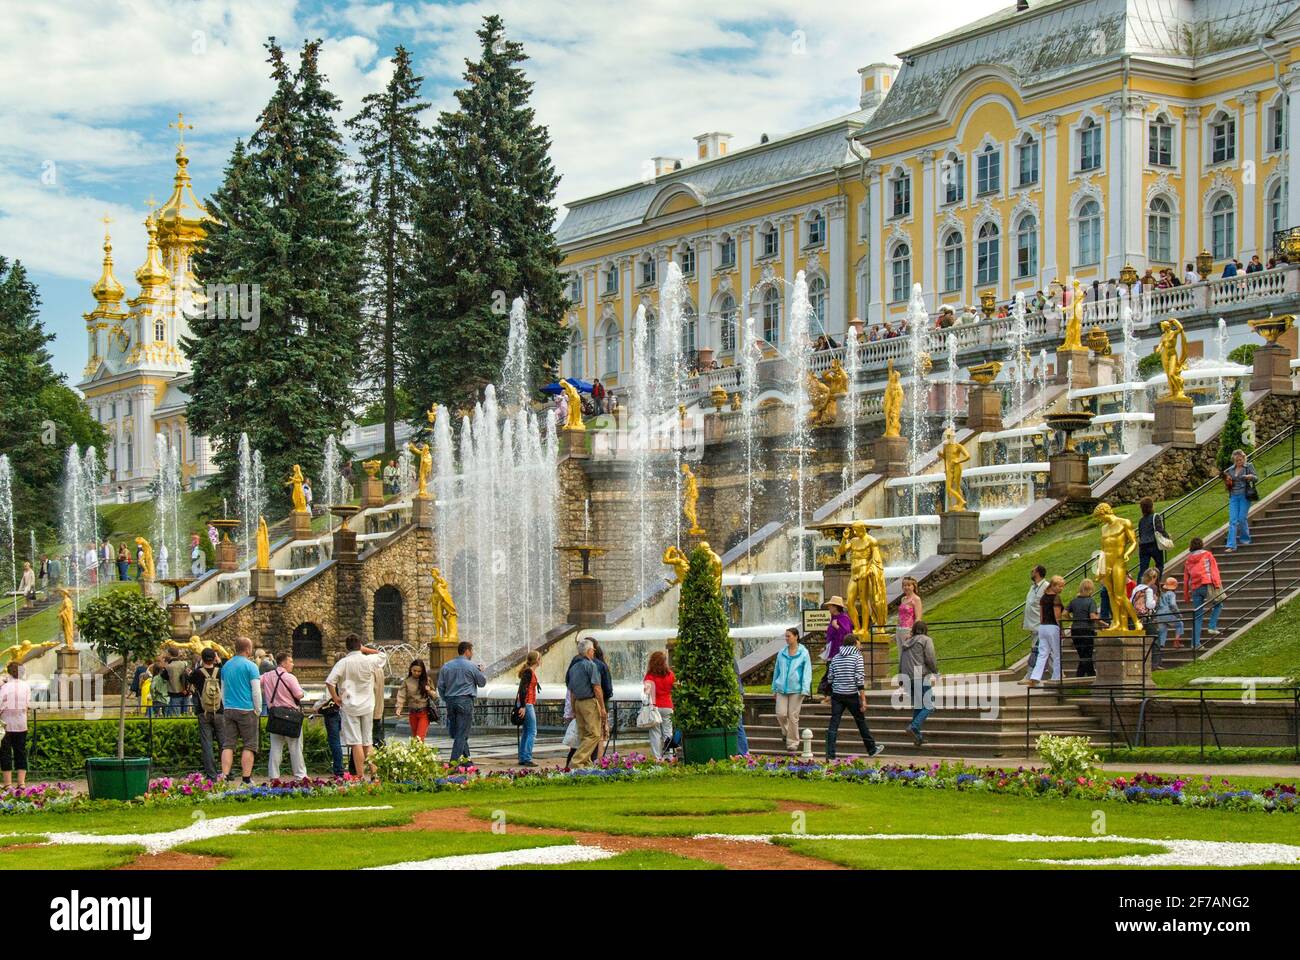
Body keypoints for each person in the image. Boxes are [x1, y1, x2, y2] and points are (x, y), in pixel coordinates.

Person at [325, 634, 388, 777]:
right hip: (367, 704)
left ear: (346, 647)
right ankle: (374, 774)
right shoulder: (368, 660)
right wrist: (366, 649)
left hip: (349, 706)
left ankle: (360, 776)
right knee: (368, 741)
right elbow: (382, 655)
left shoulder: (343, 663)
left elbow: (329, 682)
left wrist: (335, 698)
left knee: (355, 742)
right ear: (360, 645)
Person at [824, 634, 883, 759]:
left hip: (837, 695)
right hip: (851, 695)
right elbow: (859, 679)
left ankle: (830, 753)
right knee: (860, 721)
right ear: (855, 643)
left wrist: (830, 693)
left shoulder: (835, 657)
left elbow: (830, 677)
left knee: (834, 723)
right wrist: (863, 699)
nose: (860, 645)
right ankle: (871, 749)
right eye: (859, 643)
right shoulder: (857, 657)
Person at [219, 636, 264, 784]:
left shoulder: (226, 666)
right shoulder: (251, 666)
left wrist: (226, 706)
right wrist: (258, 710)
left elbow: (223, 689)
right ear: (248, 649)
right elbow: (256, 691)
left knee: (228, 744)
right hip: (247, 709)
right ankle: (246, 779)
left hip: (229, 709)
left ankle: (224, 777)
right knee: (249, 745)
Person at [435, 640, 485, 763]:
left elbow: (440, 686)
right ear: (467, 651)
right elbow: (482, 683)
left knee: (459, 732)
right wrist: (481, 671)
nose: (472, 654)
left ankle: (467, 761)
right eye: (471, 651)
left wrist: (446, 698)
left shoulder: (446, 666)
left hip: (450, 701)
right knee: (462, 733)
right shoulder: (472, 666)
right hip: (465, 701)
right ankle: (453, 762)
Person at [262, 652, 306, 780]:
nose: (292, 664)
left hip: (275, 715)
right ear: (284, 663)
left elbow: (257, 683)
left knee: (275, 747)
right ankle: (300, 775)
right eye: (291, 662)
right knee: (295, 747)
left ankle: (274, 776)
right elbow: (298, 695)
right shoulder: (290, 677)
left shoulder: (267, 676)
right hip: (290, 716)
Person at [565, 639, 606, 767]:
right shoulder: (591, 665)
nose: (594, 652)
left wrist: (573, 708)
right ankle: (576, 761)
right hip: (589, 703)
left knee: (584, 735)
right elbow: (597, 687)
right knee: (594, 734)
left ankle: (586, 764)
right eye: (593, 650)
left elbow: (571, 690)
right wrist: (603, 708)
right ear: (589, 651)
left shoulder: (574, 667)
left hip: (577, 702)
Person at [898, 620, 938, 746]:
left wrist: (901, 679)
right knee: (929, 705)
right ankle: (914, 727)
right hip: (920, 675)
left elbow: (901, 660)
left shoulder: (906, 643)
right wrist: (935, 671)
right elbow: (930, 658)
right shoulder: (926, 640)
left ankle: (918, 737)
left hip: (907, 677)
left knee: (918, 706)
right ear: (925, 630)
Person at [772, 627, 811, 752]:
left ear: (796, 636)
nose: (786, 638)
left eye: (788, 636)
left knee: (793, 716)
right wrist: (774, 688)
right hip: (781, 688)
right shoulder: (781, 652)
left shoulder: (804, 652)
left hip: (797, 689)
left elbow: (807, 672)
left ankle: (793, 743)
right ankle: (787, 732)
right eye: (786, 636)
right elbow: (776, 671)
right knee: (781, 714)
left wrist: (805, 689)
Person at [1023, 574, 1064, 686]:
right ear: (1053, 585)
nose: (1061, 589)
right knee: (1057, 654)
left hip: (1043, 627)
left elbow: (1041, 616)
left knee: (1042, 654)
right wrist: (1061, 630)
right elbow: (1057, 616)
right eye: (1060, 586)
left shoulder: (1043, 598)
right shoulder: (1056, 598)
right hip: (1053, 627)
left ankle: (1035, 677)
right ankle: (1056, 677)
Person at [1183, 537, 1223, 648]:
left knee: (1198, 616)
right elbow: (1214, 570)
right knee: (1219, 603)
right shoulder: (1208, 555)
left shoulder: (1188, 559)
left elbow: (1186, 578)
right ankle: (1212, 626)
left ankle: (1195, 644)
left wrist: (1186, 594)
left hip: (1195, 588)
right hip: (1207, 584)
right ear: (1202, 544)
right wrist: (1217, 584)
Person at [189, 647, 222, 780]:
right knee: (224, 742)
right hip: (219, 710)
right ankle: (227, 772)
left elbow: (189, 680)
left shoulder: (197, 673)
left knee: (207, 744)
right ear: (214, 658)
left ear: (202, 659)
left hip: (203, 711)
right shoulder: (220, 671)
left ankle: (211, 775)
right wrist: (219, 663)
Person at [0, 662, 30, 788]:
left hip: (5, 723)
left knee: (5, 753)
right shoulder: (26, 686)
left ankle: (7, 784)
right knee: (20, 752)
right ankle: (21, 783)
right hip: (21, 723)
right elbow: (28, 704)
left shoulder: (4, 687)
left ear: (8, 672)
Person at [1223, 448, 1258, 551]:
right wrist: (1228, 481)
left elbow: (1256, 478)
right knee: (1232, 521)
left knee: (1242, 518)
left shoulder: (1249, 466)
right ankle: (1231, 545)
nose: (1239, 462)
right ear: (1234, 460)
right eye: (1237, 460)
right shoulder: (1230, 470)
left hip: (1245, 495)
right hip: (1233, 496)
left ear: (1244, 458)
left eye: (1241, 459)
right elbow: (1227, 482)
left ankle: (1245, 539)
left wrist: (1250, 476)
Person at [643, 650, 675, 760]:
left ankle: (657, 758)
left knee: (655, 733)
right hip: (667, 706)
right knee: (668, 732)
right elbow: (673, 688)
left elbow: (647, 692)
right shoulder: (670, 674)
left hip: (655, 707)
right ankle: (669, 756)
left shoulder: (650, 676)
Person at [1065, 579, 1099, 678]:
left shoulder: (1073, 601)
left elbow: (1064, 613)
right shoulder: (1091, 602)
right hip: (1087, 630)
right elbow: (1092, 616)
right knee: (1087, 654)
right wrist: (1100, 620)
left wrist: (1072, 619)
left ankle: (1081, 676)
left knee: (1083, 655)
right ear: (1091, 590)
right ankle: (1090, 676)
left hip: (1075, 630)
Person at [395, 659, 435, 743]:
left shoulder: (427, 680)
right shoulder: (407, 681)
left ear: (422, 671)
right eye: (414, 671)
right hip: (412, 713)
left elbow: (435, 696)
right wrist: (399, 707)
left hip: (424, 712)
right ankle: (419, 755)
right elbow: (401, 695)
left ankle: (420, 754)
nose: (416, 673)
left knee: (419, 737)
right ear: (410, 669)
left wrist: (429, 691)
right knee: (415, 737)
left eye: (419, 671)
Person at [513, 652, 541, 766]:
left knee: (526, 731)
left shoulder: (528, 671)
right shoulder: (529, 672)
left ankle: (522, 757)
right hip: (527, 704)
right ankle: (527, 758)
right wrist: (523, 706)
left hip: (527, 703)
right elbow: (523, 689)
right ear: (537, 660)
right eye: (540, 658)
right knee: (532, 731)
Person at [1131, 567, 1161, 667]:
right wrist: (1155, 600)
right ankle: (1154, 664)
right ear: (1153, 578)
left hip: (1136, 618)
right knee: (1155, 639)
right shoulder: (1148, 590)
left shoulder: (1137, 588)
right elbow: (1150, 605)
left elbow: (1131, 601)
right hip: (1147, 618)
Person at [1022, 564, 1049, 670]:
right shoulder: (1033, 587)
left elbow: (1048, 606)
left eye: (1033, 571)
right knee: (1042, 651)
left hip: (1040, 625)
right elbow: (1029, 603)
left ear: (1037, 573)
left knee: (1036, 650)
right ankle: (1058, 674)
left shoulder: (1046, 586)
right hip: (1032, 625)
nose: (1031, 572)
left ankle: (1031, 674)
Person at [1136, 497, 1169, 579]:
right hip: (1154, 544)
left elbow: (1140, 534)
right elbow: (1159, 529)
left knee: (1143, 569)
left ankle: (1140, 587)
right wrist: (1167, 537)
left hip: (1143, 546)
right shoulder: (1155, 516)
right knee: (1159, 565)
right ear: (1151, 506)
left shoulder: (1141, 520)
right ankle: (1156, 584)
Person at [592, 640, 614, 760]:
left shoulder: (579, 663)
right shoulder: (601, 665)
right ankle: (599, 759)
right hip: (601, 701)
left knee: (590, 733)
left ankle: (591, 759)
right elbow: (607, 687)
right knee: (600, 733)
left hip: (588, 701)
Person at [1156, 576, 1185, 651]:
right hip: (1167, 613)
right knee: (1180, 624)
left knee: (1162, 630)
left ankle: (1160, 646)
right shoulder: (1171, 594)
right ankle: (1176, 641)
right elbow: (1173, 605)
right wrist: (1178, 614)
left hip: (1159, 614)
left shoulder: (1162, 594)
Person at [822, 595, 853, 661]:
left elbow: (847, 634)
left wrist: (836, 626)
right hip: (833, 651)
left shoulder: (844, 618)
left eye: (830, 606)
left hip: (840, 653)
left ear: (835, 607)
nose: (828, 607)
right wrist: (826, 647)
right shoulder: (834, 617)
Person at [164, 647, 192, 716]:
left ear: (169, 654)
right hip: (186, 693)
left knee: (176, 717)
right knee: (186, 716)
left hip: (174, 694)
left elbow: (164, 677)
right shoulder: (184, 664)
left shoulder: (168, 667)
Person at [897, 576, 923, 640]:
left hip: (909, 630)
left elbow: (918, 618)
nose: (906, 587)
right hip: (899, 630)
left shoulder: (916, 599)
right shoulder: (903, 599)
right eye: (904, 585)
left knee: (909, 649)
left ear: (913, 586)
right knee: (901, 650)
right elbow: (900, 616)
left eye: (909, 585)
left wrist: (911, 633)